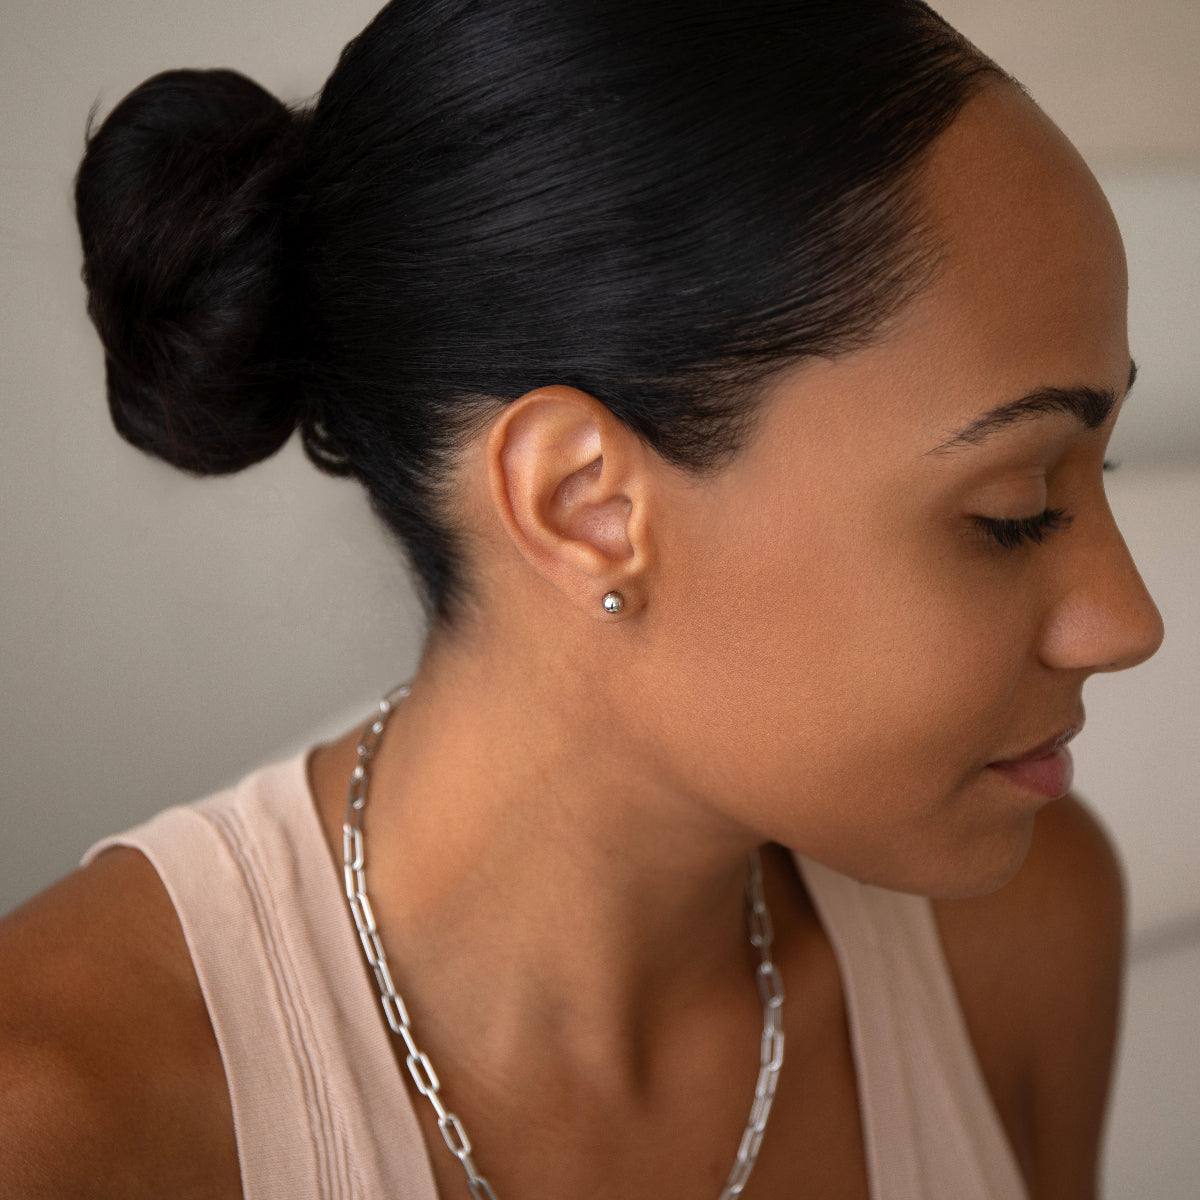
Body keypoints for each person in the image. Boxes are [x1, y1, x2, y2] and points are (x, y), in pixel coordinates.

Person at [0, 1, 1164, 1197]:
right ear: (583, 504)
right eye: (1014, 505)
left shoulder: (1018, 935)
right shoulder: (59, 1123)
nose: (1132, 620)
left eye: (1102, 466)